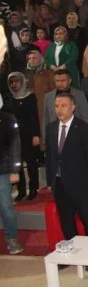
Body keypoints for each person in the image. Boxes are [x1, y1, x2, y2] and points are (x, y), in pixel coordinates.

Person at [45, 93, 88, 268]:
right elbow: (49, 158)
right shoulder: (51, 128)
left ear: (73, 107)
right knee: (66, 222)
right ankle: (72, 256)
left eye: (63, 106)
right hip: (59, 183)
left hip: (80, 184)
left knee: (87, 220)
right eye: (56, 106)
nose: (59, 109)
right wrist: (50, 182)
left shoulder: (84, 128)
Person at [4, 73, 41, 201]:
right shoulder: (8, 98)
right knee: (17, 165)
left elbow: (34, 117)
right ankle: (21, 191)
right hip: (13, 137)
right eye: (11, 82)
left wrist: (36, 135)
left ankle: (33, 189)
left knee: (31, 164)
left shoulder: (30, 97)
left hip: (28, 135)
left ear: (22, 82)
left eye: (16, 81)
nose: (14, 84)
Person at [0, 108, 23, 253]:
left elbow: (15, 145)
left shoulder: (7, 118)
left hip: (2, 170)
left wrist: (15, 170)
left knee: (6, 206)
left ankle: (11, 238)